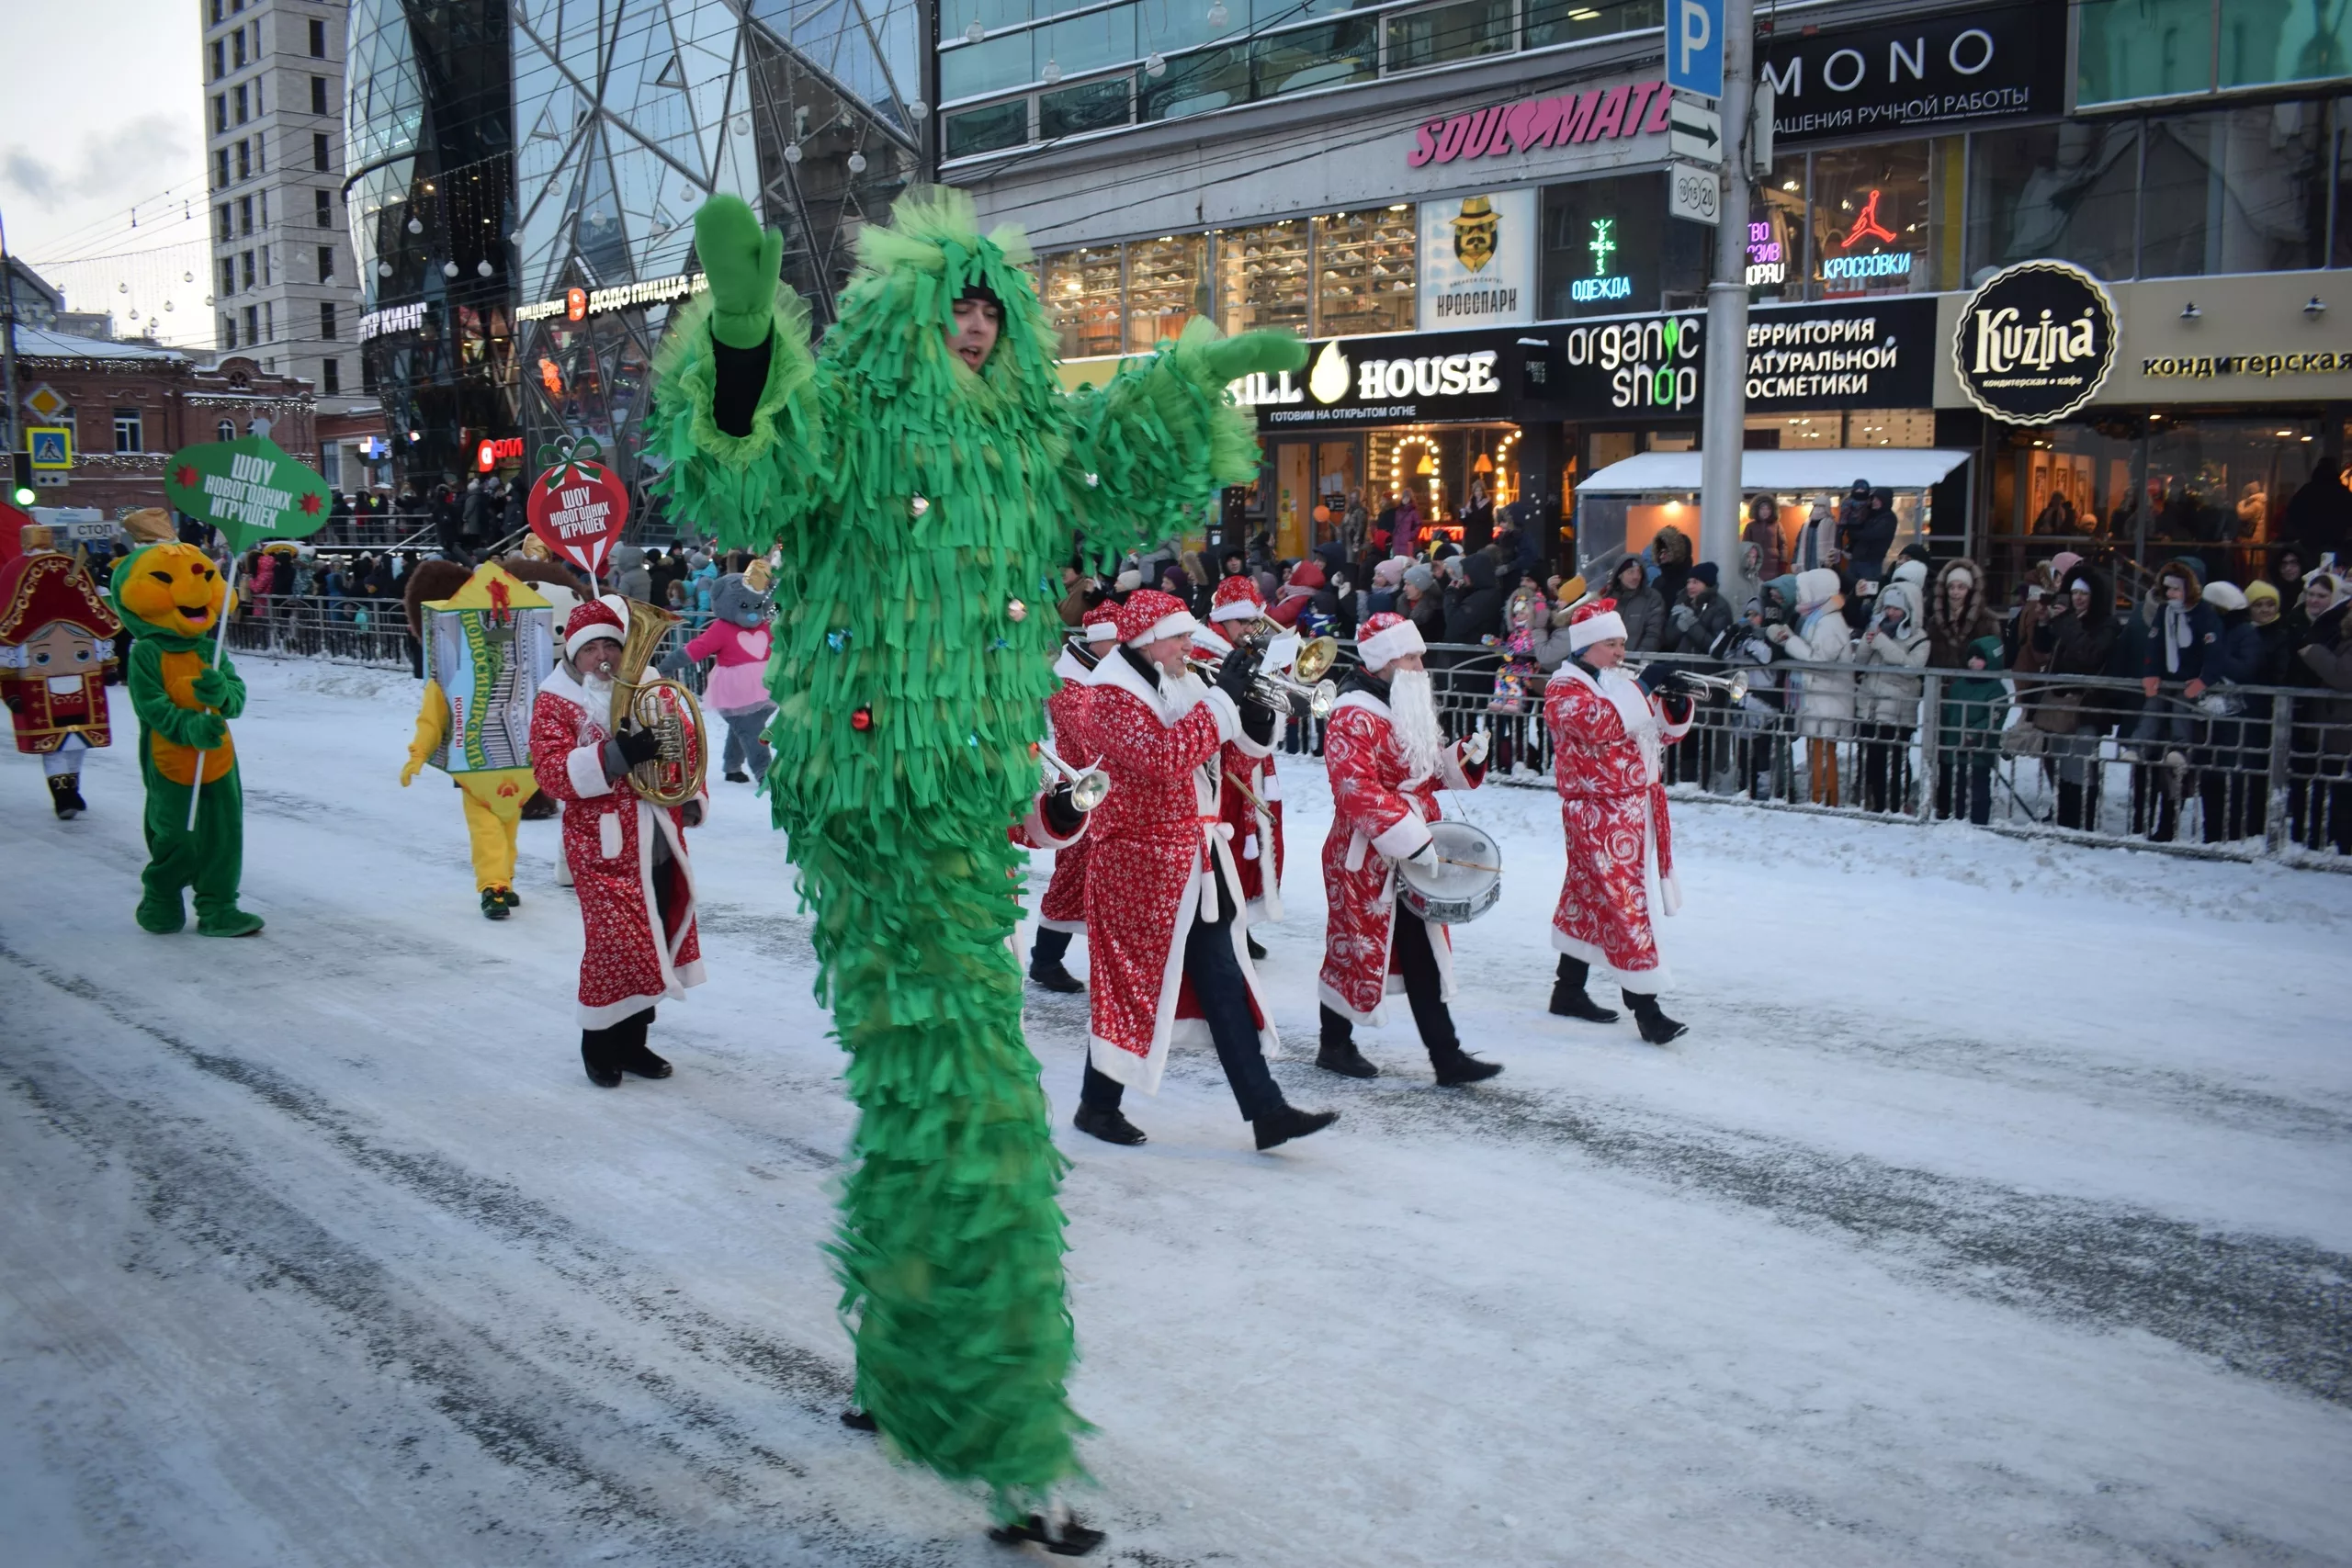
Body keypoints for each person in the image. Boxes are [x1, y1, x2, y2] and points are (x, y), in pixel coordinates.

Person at [649, 190, 1302, 1550]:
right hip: (872, 804)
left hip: (969, 797)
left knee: (922, 1081)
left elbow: (1114, 463)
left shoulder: (1025, 436)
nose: (975, 321)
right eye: (951, 306)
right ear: (898, 324)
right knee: (983, 1095)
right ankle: (1011, 1434)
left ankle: (899, 1361)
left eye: (994, 308)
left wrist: (1187, 377)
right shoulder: (851, 423)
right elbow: (741, 481)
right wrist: (749, 343)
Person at [1073, 589, 1336, 1152]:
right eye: (1180, 636)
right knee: (1132, 987)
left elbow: (1240, 744)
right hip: (1136, 866)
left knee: (1222, 981)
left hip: (1192, 860)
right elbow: (1165, 758)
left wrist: (1256, 702)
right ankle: (1097, 1107)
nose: (1191, 645)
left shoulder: (1181, 676)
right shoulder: (1107, 697)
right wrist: (1222, 697)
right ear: (1147, 640)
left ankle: (1266, 1110)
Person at [1312, 610, 1503, 1085]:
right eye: (1412, 655)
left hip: (1415, 845)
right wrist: (1409, 837)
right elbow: (1354, 789)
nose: (1422, 663)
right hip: (1365, 853)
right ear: (1383, 661)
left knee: (1422, 950)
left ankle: (1447, 1056)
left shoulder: (1402, 701)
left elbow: (1424, 773)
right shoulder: (1351, 712)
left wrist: (1461, 758)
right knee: (1352, 948)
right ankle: (1334, 1044)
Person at [531, 595, 708, 1083]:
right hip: (601, 845)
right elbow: (550, 772)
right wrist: (613, 757)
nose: (604, 658)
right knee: (616, 947)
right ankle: (599, 1046)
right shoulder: (556, 700)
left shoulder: (650, 685)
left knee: (655, 940)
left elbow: (687, 744)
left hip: (657, 836)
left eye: (613, 645)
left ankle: (634, 1045)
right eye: (593, 650)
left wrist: (689, 796)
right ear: (574, 654)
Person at [1544, 598, 1697, 1042]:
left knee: (1590, 897)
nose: (1620, 654)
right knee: (1624, 906)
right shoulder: (1564, 689)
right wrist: (1644, 686)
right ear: (1588, 646)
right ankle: (1647, 1009)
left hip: (1630, 808)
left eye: (1621, 644)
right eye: (1611, 644)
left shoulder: (1613, 683)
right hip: (1597, 812)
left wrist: (1674, 701)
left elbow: (1659, 733)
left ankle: (1568, 990)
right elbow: (1600, 725)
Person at [109, 540, 266, 937]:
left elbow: (237, 697)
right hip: (172, 760)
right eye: (165, 580)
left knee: (223, 836)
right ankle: (161, 893)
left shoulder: (208, 648)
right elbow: (151, 706)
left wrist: (222, 695)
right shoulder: (146, 651)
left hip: (218, 760)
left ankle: (218, 908)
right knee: (178, 835)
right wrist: (189, 726)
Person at [401, 561, 558, 918]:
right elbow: (433, 718)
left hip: (518, 765)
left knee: (508, 827)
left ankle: (505, 880)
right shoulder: (449, 677)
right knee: (487, 830)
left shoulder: (529, 676)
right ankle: (493, 886)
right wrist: (418, 753)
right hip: (474, 768)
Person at [1030, 604, 1122, 992]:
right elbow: (1092, 733)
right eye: (1116, 641)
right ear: (1098, 640)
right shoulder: (1069, 682)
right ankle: (1045, 960)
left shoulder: (1103, 671)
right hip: (1081, 793)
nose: (1122, 647)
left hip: (1106, 789)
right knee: (1071, 876)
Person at [1196, 576, 1288, 954]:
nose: (1251, 630)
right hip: (1225, 768)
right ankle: (1227, 926)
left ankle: (1242, 922)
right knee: (1229, 850)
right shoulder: (1203, 654)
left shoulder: (1248, 648)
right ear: (1223, 621)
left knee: (1258, 848)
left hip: (1255, 760)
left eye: (1255, 622)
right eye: (1243, 623)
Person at [1, 533, 120, 818]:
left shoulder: (66, 571)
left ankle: (72, 788)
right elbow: (7, 659)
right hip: (39, 686)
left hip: (82, 682)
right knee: (52, 744)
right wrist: (11, 694)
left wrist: (107, 668)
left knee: (78, 740)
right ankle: (62, 794)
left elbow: (96, 637)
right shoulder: (19, 574)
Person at [2131, 558, 2222, 840]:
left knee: (2180, 716)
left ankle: (2180, 749)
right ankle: (2139, 744)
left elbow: (2215, 650)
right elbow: (2154, 644)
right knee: (2153, 708)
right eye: (2167, 589)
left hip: (2188, 683)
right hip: (2165, 680)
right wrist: (2149, 673)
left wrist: (2203, 680)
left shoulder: (2204, 614)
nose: (2171, 595)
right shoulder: (2163, 613)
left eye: (2176, 589)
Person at [2030, 565, 2119, 830]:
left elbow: (2089, 655)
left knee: (2078, 765)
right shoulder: (2068, 619)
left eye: (2084, 593)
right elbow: (2043, 648)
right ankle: (2065, 819)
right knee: (2061, 763)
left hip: (2087, 706)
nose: (2078, 598)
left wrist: (2065, 621)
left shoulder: (2106, 624)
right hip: (2059, 704)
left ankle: (2082, 823)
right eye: (2074, 592)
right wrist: (2045, 622)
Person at [681, 564, 777, 784]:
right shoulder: (722, 628)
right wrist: (670, 662)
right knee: (750, 731)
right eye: (745, 606)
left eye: (756, 605)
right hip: (734, 689)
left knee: (743, 728)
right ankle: (764, 772)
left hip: (763, 688)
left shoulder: (766, 626)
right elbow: (698, 648)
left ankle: (732, 765)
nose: (752, 613)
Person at [1928, 558, 2002, 826]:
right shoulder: (1935, 621)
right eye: (1952, 587)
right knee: (1944, 754)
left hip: (1976, 697)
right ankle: (1945, 807)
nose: (1956, 592)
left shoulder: (1987, 621)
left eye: (1961, 587)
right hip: (1943, 696)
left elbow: (1994, 660)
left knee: (1976, 756)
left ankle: (1977, 812)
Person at [1772, 566, 1854, 807]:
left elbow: (1819, 659)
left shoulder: (1829, 622)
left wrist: (1789, 640)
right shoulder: (1818, 618)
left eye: (1803, 589)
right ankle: (1819, 797)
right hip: (1819, 695)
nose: (1800, 594)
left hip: (1827, 696)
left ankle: (1824, 799)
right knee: (1817, 749)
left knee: (1823, 752)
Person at [1854, 566, 1930, 814]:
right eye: (1888, 607)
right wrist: (1868, 642)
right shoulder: (1877, 630)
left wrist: (1881, 642)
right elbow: (1861, 663)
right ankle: (1876, 804)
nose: (1891, 612)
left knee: (1898, 759)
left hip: (1898, 708)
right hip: (1871, 706)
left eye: (1896, 608)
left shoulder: (1920, 638)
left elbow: (1911, 667)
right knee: (1873, 758)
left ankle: (1898, 804)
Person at [1601, 554, 1666, 652]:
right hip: (1607, 662)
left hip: (1636, 663)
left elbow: (1654, 634)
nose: (1636, 576)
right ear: (1619, 575)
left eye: (1639, 572)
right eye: (1630, 572)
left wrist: (1639, 659)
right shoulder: (1607, 599)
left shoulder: (1652, 598)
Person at [1744, 493, 1787, 582]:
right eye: (1762, 508)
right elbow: (1745, 547)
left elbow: (1783, 546)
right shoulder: (1750, 526)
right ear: (1756, 510)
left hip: (1773, 568)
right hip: (1756, 567)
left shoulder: (1777, 525)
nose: (1765, 511)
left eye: (1768, 509)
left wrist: (1783, 563)